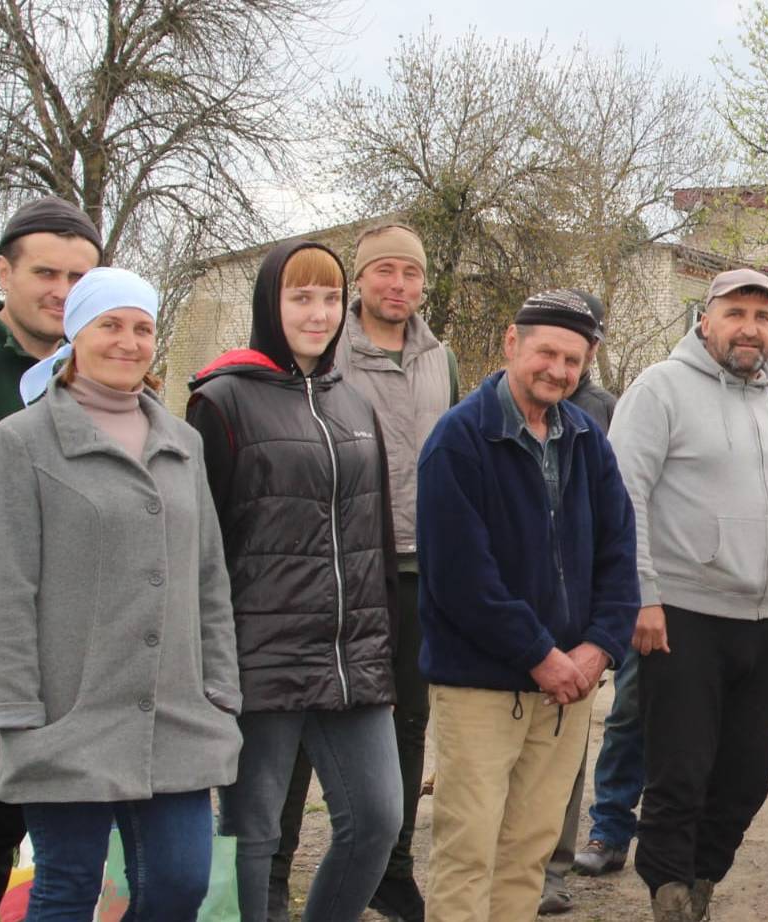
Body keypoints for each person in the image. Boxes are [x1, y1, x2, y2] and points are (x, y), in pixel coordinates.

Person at [0, 268, 243, 921]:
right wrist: (14, 709)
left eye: (142, 328)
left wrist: (220, 689)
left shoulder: (183, 443)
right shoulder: (22, 441)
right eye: (109, 324)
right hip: (66, 713)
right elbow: (0, 586)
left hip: (175, 710)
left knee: (181, 881)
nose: (128, 341)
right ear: (76, 335)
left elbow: (208, 577)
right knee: (68, 886)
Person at [187, 241, 403, 922]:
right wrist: (208, 663)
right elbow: (201, 544)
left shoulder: (355, 404)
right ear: (269, 303)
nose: (318, 313)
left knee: (377, 821)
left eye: (331, 298)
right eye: (301, 297)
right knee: (252, 835)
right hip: (259, 657)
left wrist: (383, 644)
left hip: (351, 658)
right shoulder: (221, 401)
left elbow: (376, 536)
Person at [414, 289, 640, 922]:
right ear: (512, 343)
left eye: (573, 360)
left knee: (529, 854)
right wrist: (541, 654)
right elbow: (461, 578)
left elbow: (620, 552)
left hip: (567, 687)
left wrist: (598, 648)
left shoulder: (587, 439)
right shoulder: (459, 440)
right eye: (547, 353)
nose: (558, 371)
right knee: (468, 851)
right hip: (482, 685)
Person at [610, 269, 768, 922]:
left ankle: (700, 878)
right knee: (680, 774)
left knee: (748, 779)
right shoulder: (660, 389)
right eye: (736, 313)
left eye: (763, 316)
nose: (750, 327)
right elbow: (624, 497)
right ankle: (670, 891)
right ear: (705, 320)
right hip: (683, 614)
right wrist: (642, 594)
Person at [275, 223, 458, 922]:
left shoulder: (439, 358)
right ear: (361, 280)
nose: (398, 286)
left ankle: (393, 869)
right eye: (385, 271)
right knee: (306, 717)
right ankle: (275, 870)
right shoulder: (327, 349)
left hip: (418, 566)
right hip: (341, 565)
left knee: (409, 719)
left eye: (410, 274)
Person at [0, 196, 99, 922]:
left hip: (52, 647)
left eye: (78, 277)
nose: (61, 292)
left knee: (4, 834)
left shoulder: (92, 373)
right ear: (4, 272)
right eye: (46, 272)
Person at [542, 290, 648, 915]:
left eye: (577, 346)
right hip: (533, 605)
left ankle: (585, 845)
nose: (561, 363)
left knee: (599, 725)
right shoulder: (492, 412)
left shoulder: (604, 411)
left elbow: (619, 514)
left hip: (595, 600)